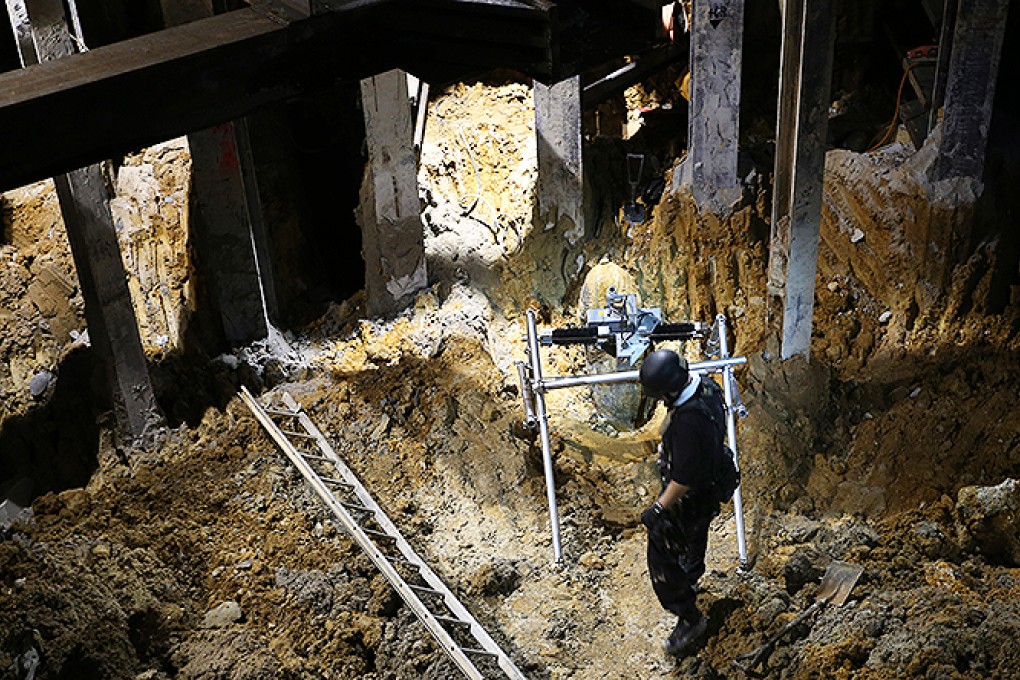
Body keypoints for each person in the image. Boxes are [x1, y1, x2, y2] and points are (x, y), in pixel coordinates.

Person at [638, 348, 721, 657]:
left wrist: (658, 509)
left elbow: (682, 481)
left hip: (690, 495)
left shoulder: (687, 423)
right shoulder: (708, 388)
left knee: (662, 551)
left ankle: (688, 617)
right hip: (713, 482)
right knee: (695, 538)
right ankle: (691, 577)